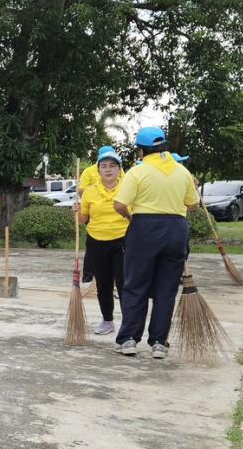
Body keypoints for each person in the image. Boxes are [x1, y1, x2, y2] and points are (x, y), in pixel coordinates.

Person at [111, 127, 199, 359]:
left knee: (135, 284)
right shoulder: (183, 172)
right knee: (166, 288)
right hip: (176, 230)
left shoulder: (138, 172)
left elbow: (119, 204)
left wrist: (132, 218)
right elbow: (193, 205)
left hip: (144, 229)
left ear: (141, 150)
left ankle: (129, 339)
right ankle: (159, 343)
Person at [74, 146, 128, 335]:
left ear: (119, 169)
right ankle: (107, 321)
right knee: (103, 284)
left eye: (112, 165)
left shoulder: (128, 188)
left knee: (124, 284)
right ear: (98, 170)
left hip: (122, 240)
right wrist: (77, 212)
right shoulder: (90, 192)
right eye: (103, 166)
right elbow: (83, 219)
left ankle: (128, 324)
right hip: (96, 241)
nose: (108, 169)